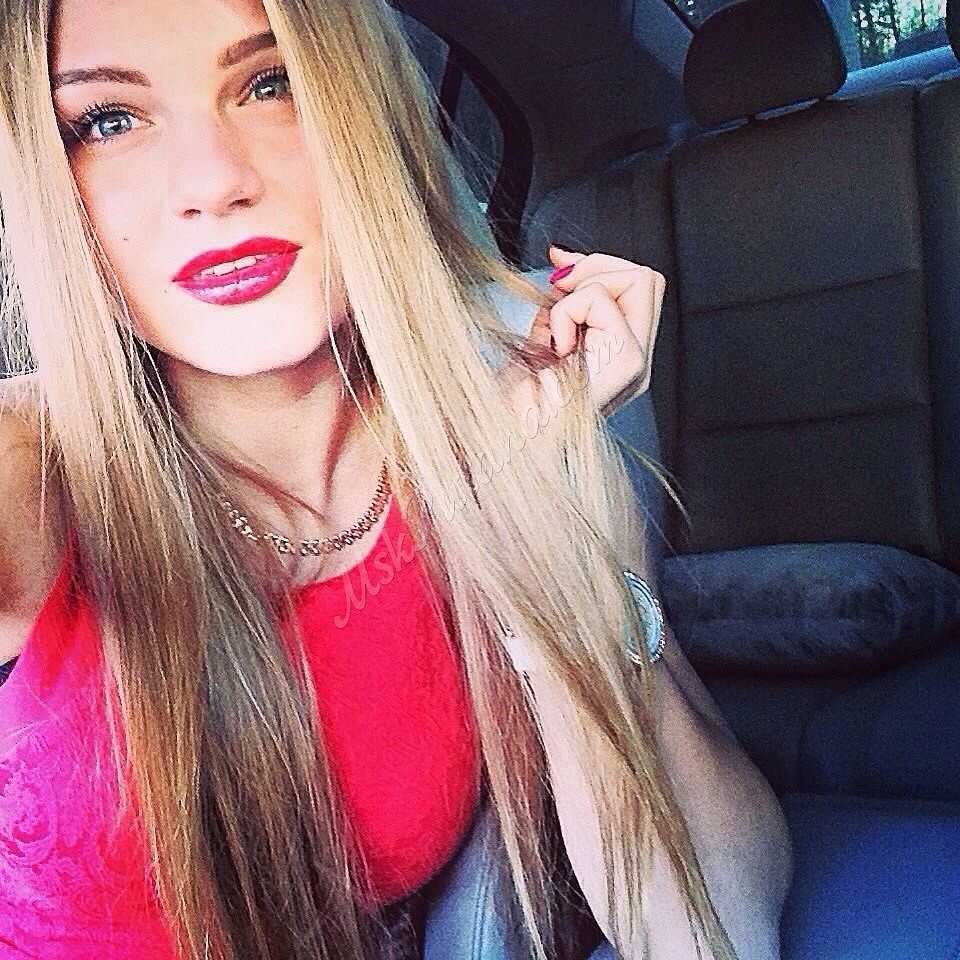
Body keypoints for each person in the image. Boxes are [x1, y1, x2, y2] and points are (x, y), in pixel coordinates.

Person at [0, 0, 793, 958]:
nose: (212, 183)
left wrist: (536, 502)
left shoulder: (492, 423)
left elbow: (710, 932)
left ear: (368, 114)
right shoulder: (29, 470)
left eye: (272, 83)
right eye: (107, 121)